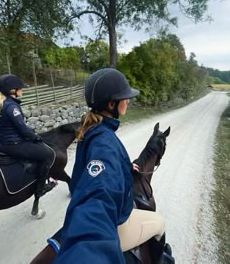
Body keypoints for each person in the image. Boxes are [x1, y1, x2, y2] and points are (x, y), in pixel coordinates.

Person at [53, 68, 165, 264]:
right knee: (159, 223)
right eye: (125, 97)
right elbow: (100, 192)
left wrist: (124, 166)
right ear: (112, 104)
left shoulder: (94, 129)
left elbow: (100, 165)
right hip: (117, 221)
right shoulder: (104, 141)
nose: (128, 100)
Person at [0, 74, 55, 197]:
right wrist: (36, 137)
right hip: (14, 144)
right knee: (47, 154)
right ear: (13, 91)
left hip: (4, 143)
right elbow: (22, 129)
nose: (22, 90)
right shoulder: (12, 107)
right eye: (20, 88)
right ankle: (41, 189)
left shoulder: (3, 103)